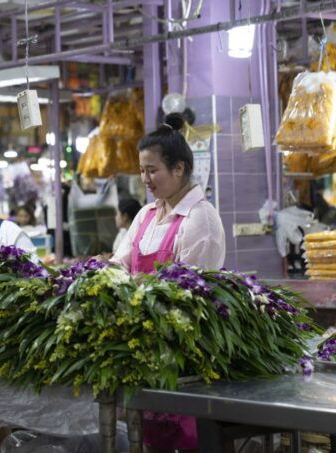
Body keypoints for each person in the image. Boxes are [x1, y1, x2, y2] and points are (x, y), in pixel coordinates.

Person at [111, 113, 225, 453]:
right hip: (141, 344)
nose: (145, 178)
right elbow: (121, 262)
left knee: (179, 433)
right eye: (142, 170)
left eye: (152, 170)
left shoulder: (200, 219)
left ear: (179, 169)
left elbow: (192, 291)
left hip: (181, 350)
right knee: (144, 435)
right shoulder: (146, 215)